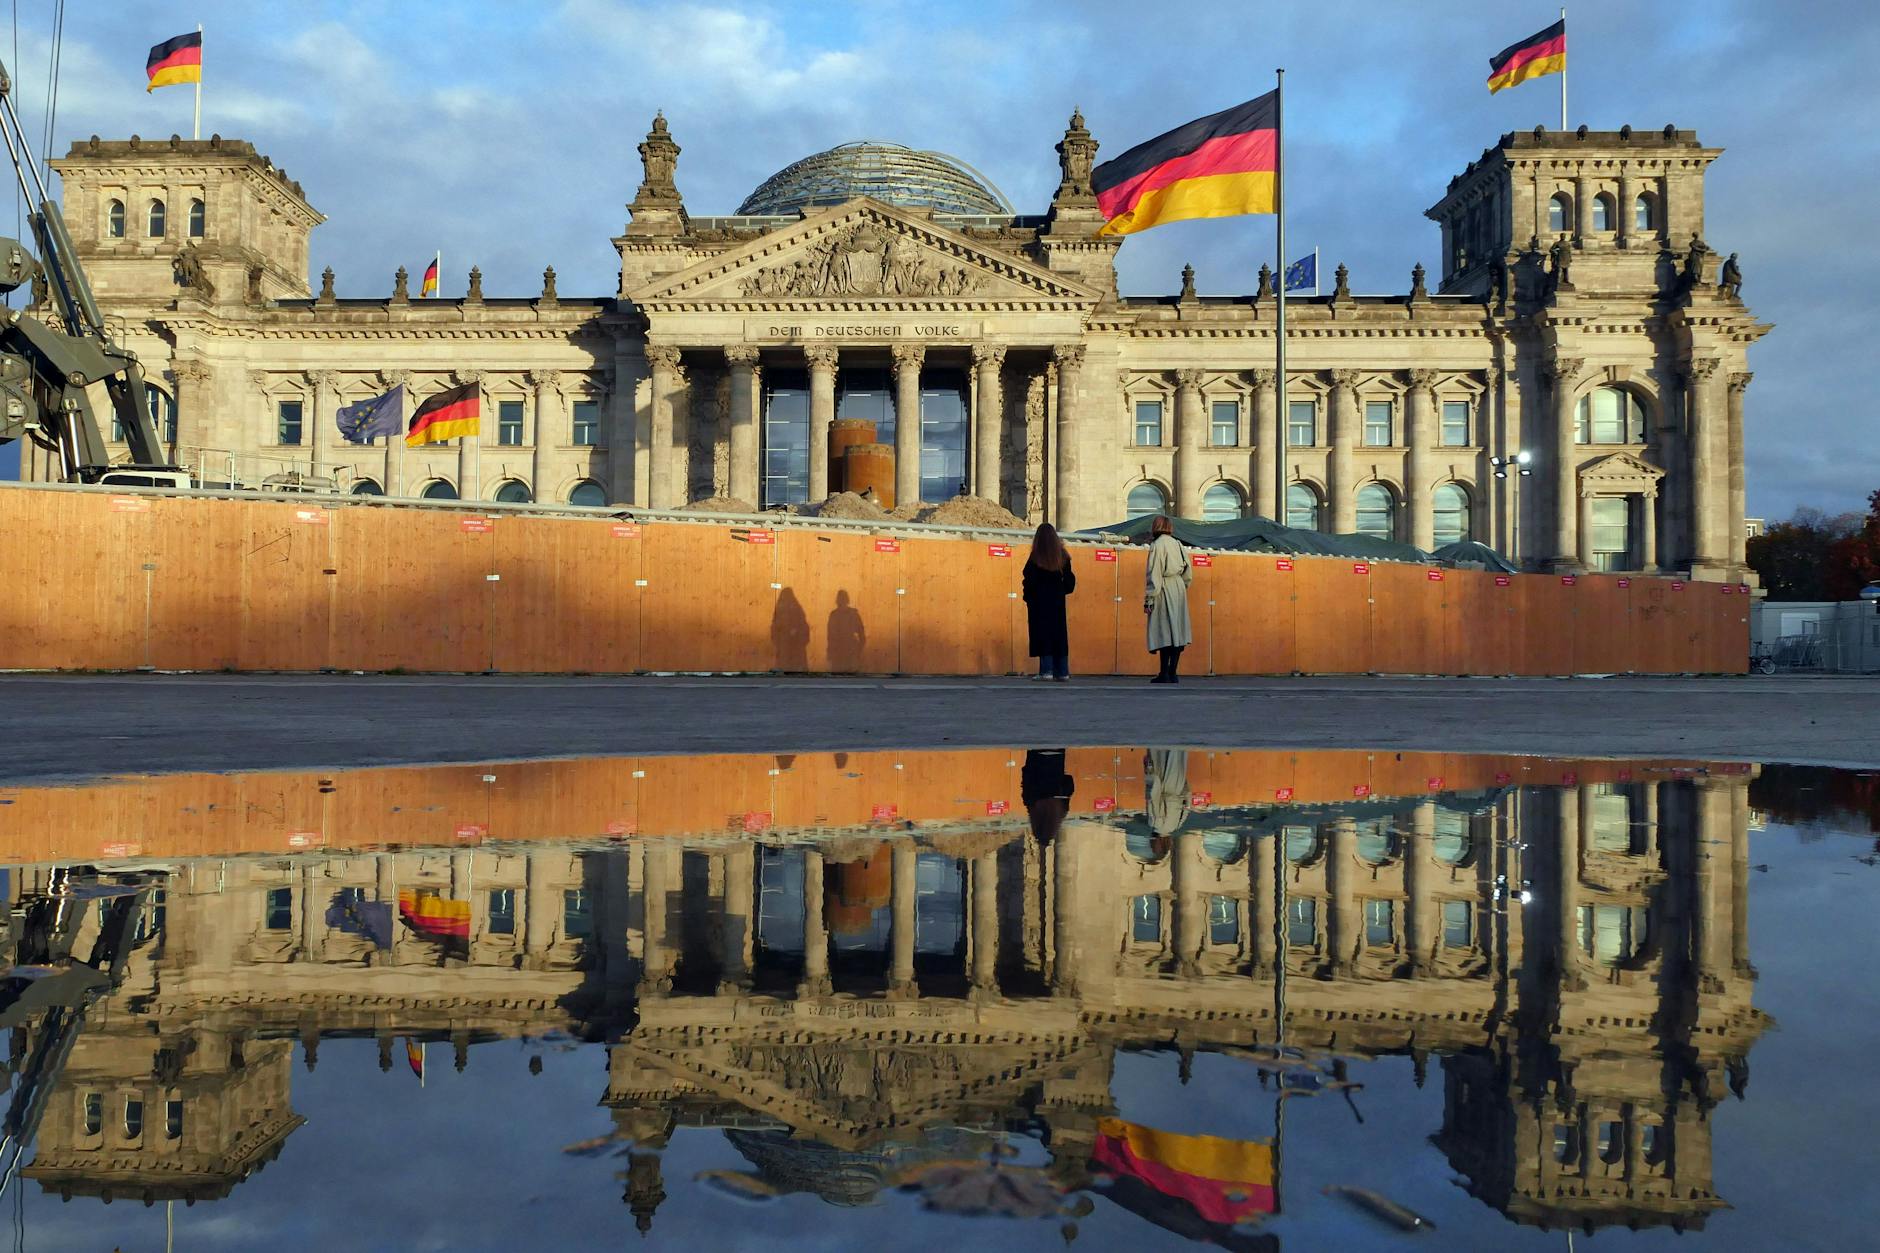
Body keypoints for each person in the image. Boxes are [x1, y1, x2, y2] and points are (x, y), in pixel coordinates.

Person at [1022, 522, 1076, 681]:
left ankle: (1046, 670)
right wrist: (1060, 591)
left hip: (1039, 603)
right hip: (1057, 603)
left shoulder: (1036, 557)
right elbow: (1070, 582)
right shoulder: (1063, 556)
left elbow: (1028, 579)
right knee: (1059, 635)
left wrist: (1028, 598)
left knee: (1042, 634)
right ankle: (1062, 671)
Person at [1143, 515, 1193, 683]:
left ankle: (1164, 673)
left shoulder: (1157, 545)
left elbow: (1154, 572)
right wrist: (1182, 585)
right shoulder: (1178, 544)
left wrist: (1149, 598)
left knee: (1164, 630)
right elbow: (1188, 571)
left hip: (1163, 587)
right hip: (1178, 587)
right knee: (1177, 631)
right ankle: (1173, 672)